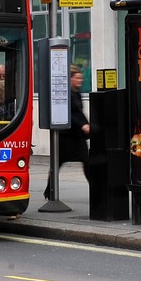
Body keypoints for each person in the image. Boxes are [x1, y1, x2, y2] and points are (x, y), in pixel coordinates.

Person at [43, 65, 90, 200]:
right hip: (66, 136)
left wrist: (85, 125)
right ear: (70, 79)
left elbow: (79, 113)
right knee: (57, 163)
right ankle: (49, 191)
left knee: (86, 161)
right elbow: (68, 113)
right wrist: (82, 125)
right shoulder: (65, 94)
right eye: (77, 78)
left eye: (81, 78)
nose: (80, 80)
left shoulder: (77, 93)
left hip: (76, 135)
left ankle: (95, 187)